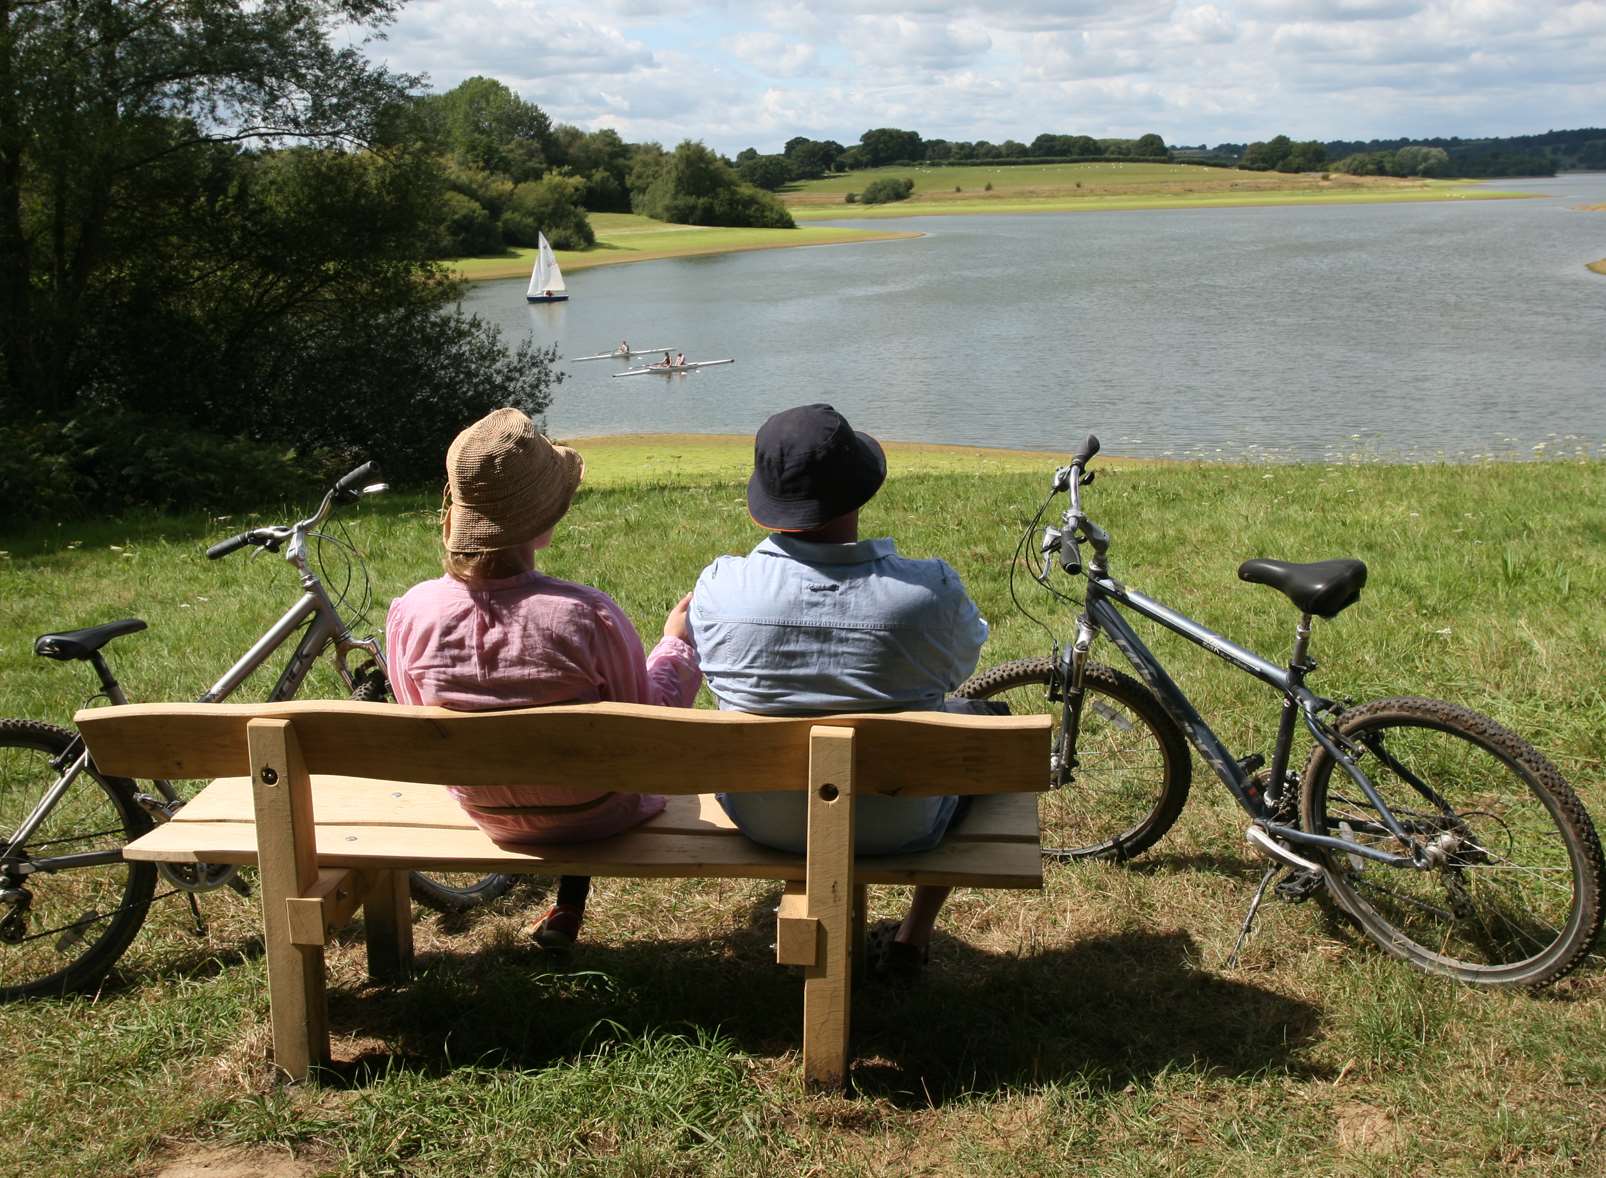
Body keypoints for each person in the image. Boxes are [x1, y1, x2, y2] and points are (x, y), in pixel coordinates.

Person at [690, 403, 990, 978]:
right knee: (979, 727)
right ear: (859, 493)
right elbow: (962, 664)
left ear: (767, 503)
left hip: (761, 820)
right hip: (903, 825)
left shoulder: (721, 589)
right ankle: (913, 935)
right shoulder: (930, 592)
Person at [386, 408, 701, 949]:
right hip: (600, 812)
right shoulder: (587, 614)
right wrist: (677, 645)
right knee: (589, 762)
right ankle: (567, 908)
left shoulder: (411, 614)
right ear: (541, 519)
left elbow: (418, 714)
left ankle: (564, 911)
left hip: (487, 811)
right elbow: (648, 734)